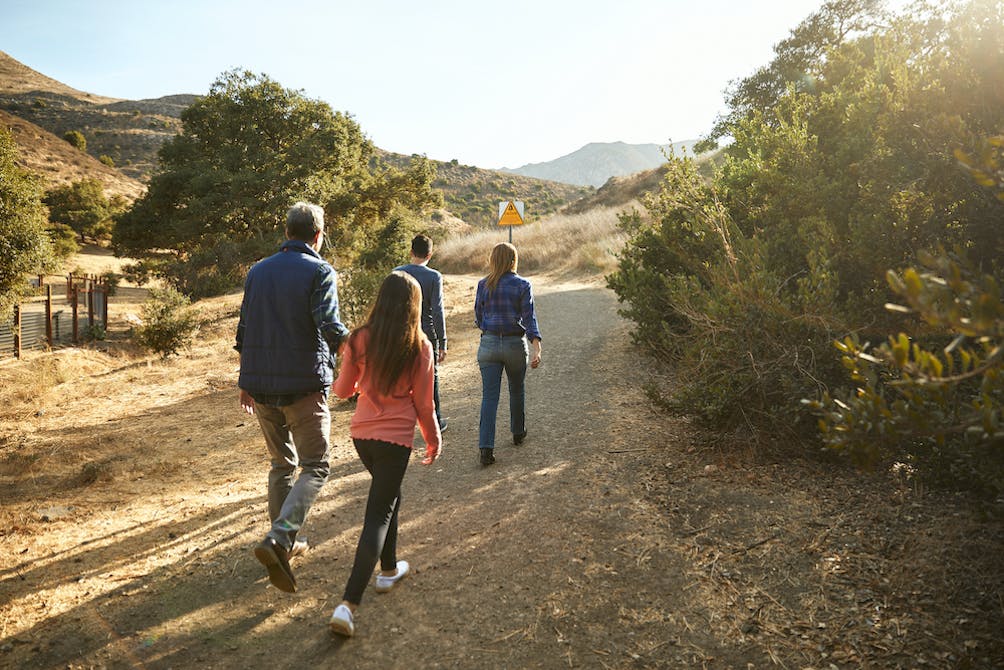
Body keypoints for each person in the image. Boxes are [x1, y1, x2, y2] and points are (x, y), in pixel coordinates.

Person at [235, 201, 349, 594]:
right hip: (302, 385)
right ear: (318, 235)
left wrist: (244, 380)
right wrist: (357, 355)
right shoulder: (320, 270)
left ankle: (283, 542)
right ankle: (280, 537)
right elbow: (330, 325)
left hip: (261, 386)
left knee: (282, 464)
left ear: (286, 233)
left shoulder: (258, 271)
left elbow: (244, 328)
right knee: (316, 466)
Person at [328, 271, 442, 637]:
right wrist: (433, 438)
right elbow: (424, 405)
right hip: (394, 441)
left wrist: (362, 374)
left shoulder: (359, 339)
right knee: (378, 512)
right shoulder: (419, 345)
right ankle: (348, 604)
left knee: (387, 496)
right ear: (414, 305)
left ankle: (389, 570)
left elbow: (342, 390)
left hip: (362, 436)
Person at [473, 242, 542, 466]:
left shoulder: (484, 284)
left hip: (489, 343)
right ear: (514, 260)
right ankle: (518, 432)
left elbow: (478, 317)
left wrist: (490, 329)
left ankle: (485, 448)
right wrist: (536, 347)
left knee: (489, 397)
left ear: (493, 260)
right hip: (514, 344)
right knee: (516, 389)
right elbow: (529, 317)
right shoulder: (522, 284)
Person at [394, 234, 448, 432]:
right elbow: (438, 310)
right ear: (430, 254)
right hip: (426, 334)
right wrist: (442, 342)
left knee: (402, 377)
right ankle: (436, 421)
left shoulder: (397, 273)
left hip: (402, 334)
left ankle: (401, 422)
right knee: (430, 378)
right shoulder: (434, 276)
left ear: (411, 252)